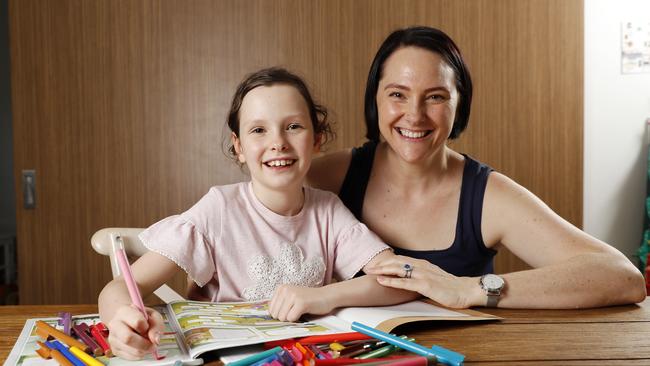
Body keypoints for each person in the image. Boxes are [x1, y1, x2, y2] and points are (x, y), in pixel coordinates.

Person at [308, 26, 647, 310]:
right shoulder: (328, 177)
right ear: (375, 99)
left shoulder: (485, 195)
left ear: (460, 105)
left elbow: (622, 277)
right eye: (398, 94)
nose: (414, 115)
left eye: (436, 97)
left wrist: (469, 289)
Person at [98, 67, 415, 360]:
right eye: (259, 130)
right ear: (238, 146)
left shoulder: (328, 210)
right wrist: (121, 321)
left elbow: (401, 279)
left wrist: (325, 297)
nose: (277, 142)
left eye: (293, 127)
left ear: (317, 139)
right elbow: (118, 289)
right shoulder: (218, 210)